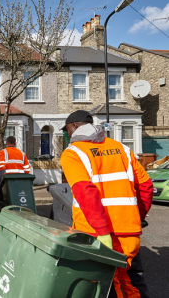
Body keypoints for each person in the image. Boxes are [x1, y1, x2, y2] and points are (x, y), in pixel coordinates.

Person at [60, 110, 153, 298]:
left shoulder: (73, 153)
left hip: (95, 234)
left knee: (105, 285)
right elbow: (146, 186)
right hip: (128, 232)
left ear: (76, 126)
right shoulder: (121, 148)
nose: (68, 134)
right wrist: (137, 217)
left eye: (68, 129)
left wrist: (102, 233)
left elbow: (86, 193)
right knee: (132, 278)